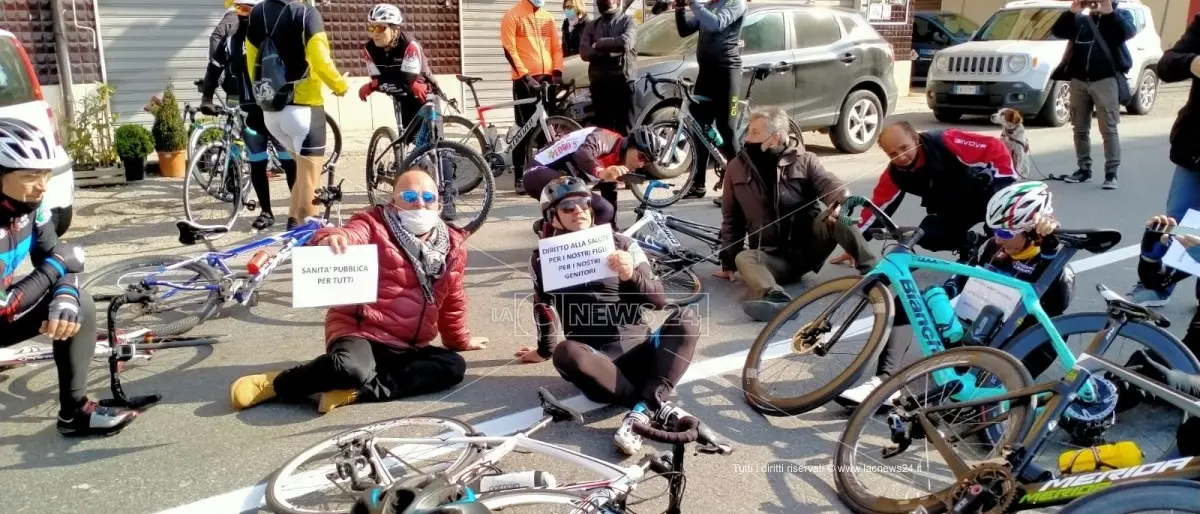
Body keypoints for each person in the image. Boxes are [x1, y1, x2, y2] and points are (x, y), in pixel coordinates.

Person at [229, 168, 488, 414]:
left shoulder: (453, 247)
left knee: (453, 367)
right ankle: (277, 384)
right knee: (349, 369)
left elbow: (452, 299)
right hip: (360, 331)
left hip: (408, 344)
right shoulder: (374, 224)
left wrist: (460, 341)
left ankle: (354, 393)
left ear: (439, 205)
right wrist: (331, 238)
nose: (420, 203)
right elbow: (347, 233)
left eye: (428, 197)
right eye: (409, 196)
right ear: (393, 202)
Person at [838, 181, 1074, 405]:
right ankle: (885, 381)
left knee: (1058, 329)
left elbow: (1058, 304)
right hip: (966, 332)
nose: (998, 240)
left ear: (1032, 231)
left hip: (1006, 348)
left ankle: (1009, 391)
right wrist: (940, 298)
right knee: (910, 300)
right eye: (994, 231)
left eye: (1004, 234)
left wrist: (1051, 253)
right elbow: (961, 279)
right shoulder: (991, 246)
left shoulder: (1050, 261)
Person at [515, 177, 700, 455]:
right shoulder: (541, 259)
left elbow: (658, 300)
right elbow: (543, 306)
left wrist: (631, 275)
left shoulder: (624, 244)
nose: (578, 210)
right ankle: (650, 403)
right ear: (553, 217)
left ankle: (643, 408)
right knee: (565, 353)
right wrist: (544, 350)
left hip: (643, 349)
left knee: (687, 318)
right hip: (598, 365)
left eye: (584, 203)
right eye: (567, 207)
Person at [0, 119, 138, 436]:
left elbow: (53, 253)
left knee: (80, 304)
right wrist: (60, 267)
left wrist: (65, 293)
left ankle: (74, 412)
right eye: (30, 176)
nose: (43, 185)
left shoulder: (32, 204)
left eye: (46, 173)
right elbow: (6, 308)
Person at [712, 107, 877, 322]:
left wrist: (840, 197)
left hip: (809, 249)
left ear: (775, 138)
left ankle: (874, 272)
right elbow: (731, 219)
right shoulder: (735, 168)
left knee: (836, 217)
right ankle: (777, 299)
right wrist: (728, 262)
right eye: (748, 131)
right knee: (744, 257)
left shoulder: (806, 160)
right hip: (772, 258)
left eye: (754, 132)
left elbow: (827, 182)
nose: (747, 138)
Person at [829, 121, 1018, 267]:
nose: (901, 157)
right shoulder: (894, 174)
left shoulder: (944, 141)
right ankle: (969, 246)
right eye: (892, 153)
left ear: (916, 139)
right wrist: (856, 246)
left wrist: (1002, 189)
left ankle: (998, 254)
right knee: (926, 236)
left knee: (1000, 235)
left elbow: (994, 147)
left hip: (984, 198)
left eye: (904, 148)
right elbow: (876, 209)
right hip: (950, 210)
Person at [246, 0, 348, 230]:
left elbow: (252, 63)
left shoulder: (256, 13)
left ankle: (293, 224)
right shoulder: (306, 14)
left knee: (302, 172)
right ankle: (311, 244)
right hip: (304, 108)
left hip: (272, 112)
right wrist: (340, 84)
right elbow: (320, 60)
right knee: (312, 183)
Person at [201, 0, 298, 230]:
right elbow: (214, 66)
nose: (243, 14)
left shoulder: (276, 31)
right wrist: (206, 98)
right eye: (239, 9)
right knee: (257, 162)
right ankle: (266, 211)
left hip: (278, 108)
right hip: (251, 111)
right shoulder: (233, 38)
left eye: (249, 9)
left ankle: (296, 213)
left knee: (289, 162)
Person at [1128, 13, 1200, 306]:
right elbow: (1166, 65)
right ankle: (1159, 285)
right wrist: (1192, 63)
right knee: (1179, 222)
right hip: (1196, 146)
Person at [1051, 0, 1135, 190]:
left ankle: (1111, 173)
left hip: (1105, 81)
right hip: (1079, 80)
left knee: (1108, 128)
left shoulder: (1120, 16)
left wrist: (1110, 13)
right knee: (1079, 128)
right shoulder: (1081, 20)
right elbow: (1057, 31)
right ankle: (1083, 169)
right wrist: (1071, 12)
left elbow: (1127, 33)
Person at [670, 0, 746, 199]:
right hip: (707, 73)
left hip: (727, 72)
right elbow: (686, 30)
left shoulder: (735, 3)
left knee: (727, 130)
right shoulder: (711, 5)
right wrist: (679, 9)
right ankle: (698, 184)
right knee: (699, 127)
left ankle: (741, 188)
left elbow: (717, 24)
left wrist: (694, 5)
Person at [521, 125, 665, 229]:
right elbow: (582, 153)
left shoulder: (620, 159)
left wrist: (612, 230)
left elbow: (609, 192)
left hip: (554, 177)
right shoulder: (607, 139)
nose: (641, 164)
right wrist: (600, 172)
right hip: (538, 172)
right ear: (631, 145)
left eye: (646, 162)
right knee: (602, 210)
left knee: (603, 209)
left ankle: (548, 227)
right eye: (641, 156)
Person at [501, 0, 565, 193]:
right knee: (524, 128)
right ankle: (520, 176)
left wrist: (558, 71)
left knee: (547, 128)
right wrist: (525, 77)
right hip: (525, 80)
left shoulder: (548, 17)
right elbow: (509, 50)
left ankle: (545, 172)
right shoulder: (513, 15)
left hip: (547, 79)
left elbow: (556, 47)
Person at [358, 4, 446, 129]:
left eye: (380, 28)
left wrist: (375, 85)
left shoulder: (409, 45)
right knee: (408, 139)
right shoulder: (369, 49)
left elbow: (397, 84)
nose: (374, 34)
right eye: (371, 28)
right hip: (402, 96)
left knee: (434, 141)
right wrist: (375, 84)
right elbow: (377, 81)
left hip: (424, 93)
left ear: (394, 29)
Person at [579, 0, 636, 136]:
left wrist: (599, 43)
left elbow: (625, 43)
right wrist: (610, 52)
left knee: (625, 134)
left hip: (623, 84)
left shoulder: (628, 22)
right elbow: (584, 52)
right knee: (603, 134)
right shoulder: (591, 26)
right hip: (600, 86)